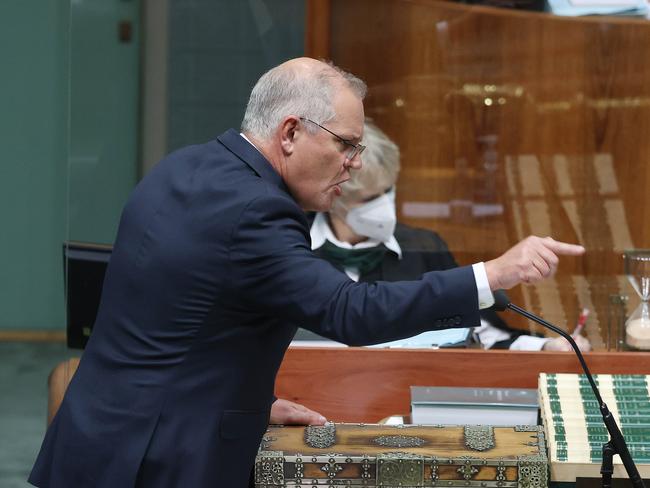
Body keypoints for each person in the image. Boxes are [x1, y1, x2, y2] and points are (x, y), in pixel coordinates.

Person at [29, 58, 585, 488]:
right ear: (291, 132)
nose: (355, 164)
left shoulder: (185, 166)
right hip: (159, 460)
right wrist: (491, 274)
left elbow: (179, 323)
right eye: (347, 144)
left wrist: (251, 401)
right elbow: (349, 312)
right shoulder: (258, 211)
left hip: (98, 442)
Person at [306, 120, 591, 352]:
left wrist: (547, 348)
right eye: (369, 198)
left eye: (388, 191)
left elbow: (483, 336)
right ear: (335, 196)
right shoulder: (294, 246)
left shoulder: (423, 248)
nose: (383, 204)